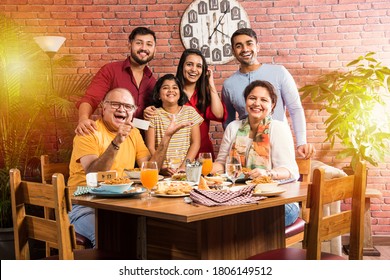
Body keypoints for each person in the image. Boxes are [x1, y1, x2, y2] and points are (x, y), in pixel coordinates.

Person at [68, 88, 192, 247]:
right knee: (107, 237)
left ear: (133, 112)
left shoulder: (133, 133)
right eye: (115, 104)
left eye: (128, 106)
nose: (121, 109)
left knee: (152, 232)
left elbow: (150, 168)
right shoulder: (88, 131)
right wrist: (117, 141)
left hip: (121, 204)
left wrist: (166, 138)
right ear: (103, 108)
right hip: (84, 205)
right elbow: (93, 174)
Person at [212, 80, 300, 226]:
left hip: (278, 200)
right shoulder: (233, 127)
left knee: (243, 222)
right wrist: (198, 169)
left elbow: (290, 170)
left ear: (272, 105)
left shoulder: (278, 128)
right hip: (241, 197)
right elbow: (222, 164)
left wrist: (267, 174)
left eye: (263, 100)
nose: (256, 103)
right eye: (252, 98)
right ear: (246, 101)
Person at [222, 28, 315, 159]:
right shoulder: (229, 84)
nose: (245, 49)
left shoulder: (279, 73)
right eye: (239, 46)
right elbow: (228, 121)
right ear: (233, 52)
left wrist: (301, 142)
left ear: (257, 47)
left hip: (278, 145)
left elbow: (295, 109)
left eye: (249, 43)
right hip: (245, 152)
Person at [144, 49, 227, 159]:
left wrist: (210, 83)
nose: (194, 69)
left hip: (202, 154)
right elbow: (154, 119)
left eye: (198, 66)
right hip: (174, 157)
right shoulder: (171, 93)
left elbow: (219, 115)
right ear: (182, 66)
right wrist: (148, 111)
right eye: (189, 64)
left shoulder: (204, 94)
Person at [75, 26, 157, 136]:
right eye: (139, 43)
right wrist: (83, 119)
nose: (144, 48)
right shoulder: (110, 71)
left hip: (140, 143)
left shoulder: (153, 82)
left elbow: (151, 119)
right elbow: (90, 99)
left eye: (149, 44)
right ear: (129, 45)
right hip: (111, 137)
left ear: (154, 50)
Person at [145, 74, 203, 176]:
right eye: (165, 88)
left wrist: (183, 167)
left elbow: (195, 143)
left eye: (175, 87)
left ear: (180, 93)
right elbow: (150, 146)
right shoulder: (152, 114)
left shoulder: (190, 112)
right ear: (158, 94)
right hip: (161, 171)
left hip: (186, 170)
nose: (171, 90)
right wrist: (160, 166)